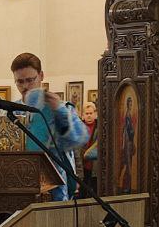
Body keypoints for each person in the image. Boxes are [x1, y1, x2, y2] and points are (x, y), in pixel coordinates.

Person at [10, 53, 89, 201]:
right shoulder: (10, 111)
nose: (25, 86)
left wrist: (58, 111)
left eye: (30, 80)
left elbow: (79, 138)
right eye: (19, 82)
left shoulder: (59, 107)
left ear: (41, 75)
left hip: (55, 188)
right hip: (19, 186)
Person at [80, 101, 99, 194]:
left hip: (95, 165)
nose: (89, 116)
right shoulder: (79, 127)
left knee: (95, 192)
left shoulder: (101, 127)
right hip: (82, 165)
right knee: (82, 192)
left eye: (91, 113)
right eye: (86, 113)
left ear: (95, 114)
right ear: (83, 115)